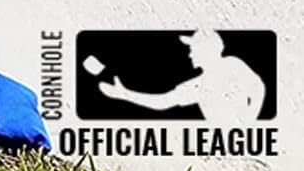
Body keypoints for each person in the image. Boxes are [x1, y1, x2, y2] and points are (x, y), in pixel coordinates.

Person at [98, 31, 266, 121]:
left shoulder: (232, 64)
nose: (191, 54)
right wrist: (124, 94)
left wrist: (249, 117)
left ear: (208, 50)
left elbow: (257, 86)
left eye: (195, 48)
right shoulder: (197, 85)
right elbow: (163, 102)